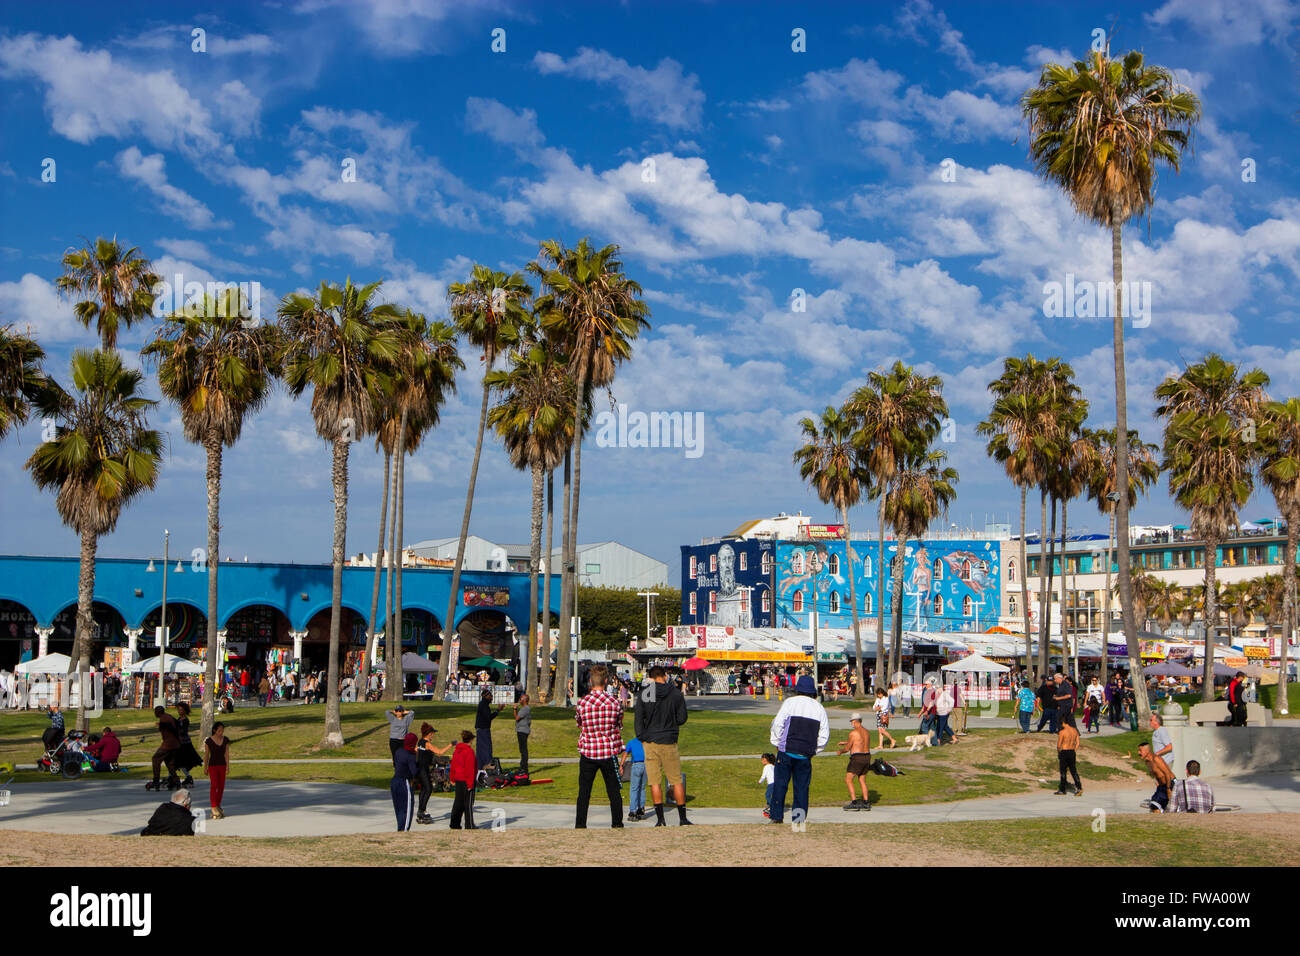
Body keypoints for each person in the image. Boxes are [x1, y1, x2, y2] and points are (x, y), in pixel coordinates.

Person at [767, 674, 830, 825]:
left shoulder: (790, 703)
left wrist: (776, 742)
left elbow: (778, 724)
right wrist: (814, 750)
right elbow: (824, 736)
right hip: (805, 754)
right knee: (801, 789)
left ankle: (776, 817)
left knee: (780, 785)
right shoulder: (819, 708)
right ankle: (798, 819)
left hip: (786, 750)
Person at [634, 664, 691, 827]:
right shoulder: (674, 693)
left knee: (654, 781)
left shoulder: (646, 693)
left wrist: (642, 736)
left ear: (651, 678)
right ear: (665, 676)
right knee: (676, 780)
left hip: (651, 740)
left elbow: (639, 719)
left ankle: (660, 819)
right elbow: (682, 718)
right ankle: (682, 818)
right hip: (669, 739)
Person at [574, 664, 625, 829]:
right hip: (608, 751)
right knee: (613, 792)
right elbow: (619, 724)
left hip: (589, 750)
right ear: (606, 681)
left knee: (584, 792)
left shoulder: (582, 703)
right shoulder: (615, 703)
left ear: (590, 681)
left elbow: (579, 723)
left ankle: (580, 824)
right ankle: (617, 823)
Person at [415, 723, 451, 825]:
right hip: (423, 769)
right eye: (433, 733)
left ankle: (421, 810)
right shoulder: (427, 744)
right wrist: (450, 745)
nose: (433, 735)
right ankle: (422, 810)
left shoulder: (420, 742)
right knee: (428, 788)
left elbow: (416, 750)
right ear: (429, 734)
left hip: (420, 768)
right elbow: (439, 752)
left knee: (423, 789)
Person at [837, 714, 872, 811]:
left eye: (851, 722)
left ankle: (854, 803)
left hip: (857, 758)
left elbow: (848, 748)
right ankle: (866, 802)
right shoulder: (866, 732)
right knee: (861, 780)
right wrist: (845, 742)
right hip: (867, 757)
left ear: (855, 721)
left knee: (848, 780)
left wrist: (841, 751)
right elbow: (860, 742)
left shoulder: (853, 732)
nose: (851, 724)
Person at [146, 705, 182, 791]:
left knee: (155, 759)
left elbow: (170, 726)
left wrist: (162, 724)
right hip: (175, 744)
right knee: (169, 763)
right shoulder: (168, 716)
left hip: (168, 744)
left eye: (155, 712)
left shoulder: (164, 719)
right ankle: (176, 781)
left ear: (158, 712)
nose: (154, 714)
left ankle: (156, 781)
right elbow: (176, 724)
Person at [449, 730, 478, 829]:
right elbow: (470, 769)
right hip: (466, 780)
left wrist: (452, 777)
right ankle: (469, 824)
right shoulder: (469, 751)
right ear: (471, 740)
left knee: (458, 802)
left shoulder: (457, 750)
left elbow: (453, 765)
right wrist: (470, 784)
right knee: (468, 803)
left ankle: (454, 823)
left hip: (458, 779)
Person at [202, 722, 231, 818]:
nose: (221, 732)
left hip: (222, 765)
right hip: (212, 766)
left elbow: (226, 754)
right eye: (219, 730)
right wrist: (205, 767)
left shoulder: (225, 740)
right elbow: (206, 755)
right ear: (214, 730)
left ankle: (218, 804)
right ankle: (213, 806)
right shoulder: (209, 741)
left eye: (222, 730)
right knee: (214, 785)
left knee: (221, 786)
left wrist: (227, 766)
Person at [1138, 740, 1174, 812]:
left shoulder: (1156, 759)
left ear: (1147, 751)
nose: (1138, 753)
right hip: (1161, 786)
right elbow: (1156, 774)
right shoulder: (1147, 762)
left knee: (1169, 807)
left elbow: (1167, 773)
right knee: (1154, 806)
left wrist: (1168, 789)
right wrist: (1158, 782)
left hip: (1170, 784)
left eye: (1140, 750)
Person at [172, 702, 202, 788]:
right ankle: (173, 777)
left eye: (181, 710)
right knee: (175, 762)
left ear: (185, 711)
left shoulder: (185, 720)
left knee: (180, 762)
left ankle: (187, 777)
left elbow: (182, 731)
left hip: (184, 745)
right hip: (179, 744)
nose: (179, 711)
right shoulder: (179, 720)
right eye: (178, 710)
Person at [621, 734, 647, 822]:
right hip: (646, 765)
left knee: (634, 789)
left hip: (636, 765)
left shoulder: (631, 742)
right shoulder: (647, 742)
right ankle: (641, 809)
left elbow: (625, 753)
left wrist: (621, 765)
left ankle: (633, 811)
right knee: (642, 788)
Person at [475, 689, 504, 770]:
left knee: (481, 748)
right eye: (490, 696)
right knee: (486, 748)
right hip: (483, 729)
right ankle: (486, 764)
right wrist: (498, 711)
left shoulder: (484, 704)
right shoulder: (483, 705)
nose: (491, 697)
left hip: (482, 729)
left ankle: (480, 766)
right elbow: (488, 717)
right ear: (485, 696)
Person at [1054, 718, 1083, 796]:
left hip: (1064, 751)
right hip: (1072, 751)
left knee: (1063, 771)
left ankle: (1062, 789)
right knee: (1073, 771)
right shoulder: (1074, 730)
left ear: (1063, 723)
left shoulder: (1062, 732)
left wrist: (1059, 752)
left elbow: (1059, 745)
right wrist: (1074, 750)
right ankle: (1079, 787)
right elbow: (1077, 743)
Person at [513, 693, 532, 774]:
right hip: (521, 730)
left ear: (524, 700)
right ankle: (522, 766)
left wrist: (514, 709)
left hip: (522, 731)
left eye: (521, 699)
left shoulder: (525, 709)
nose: (519, 701)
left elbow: (517, 718)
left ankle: (524, 768)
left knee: (523, 750)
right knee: (522, 749)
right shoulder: (525, 708)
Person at [759, 753, 776, 818]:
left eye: (762, 760)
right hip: (776, 783)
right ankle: (769, 807)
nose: (761, 761)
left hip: (771, 783)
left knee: (767, 795)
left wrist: (760, 781)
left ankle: (772, 807)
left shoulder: (766, 767)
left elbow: (763, 776)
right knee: (772, 795)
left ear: (765, 760)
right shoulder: (773, 766)